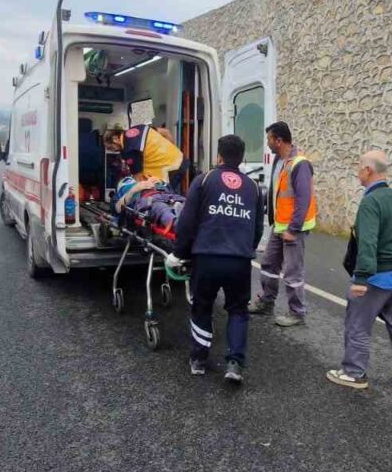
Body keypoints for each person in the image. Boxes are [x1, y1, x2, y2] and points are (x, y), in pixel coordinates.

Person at [325, 151, 392, 397]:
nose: (357, 171)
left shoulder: (371, 202)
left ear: (368, 170)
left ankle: (354, 373)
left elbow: (368, 243)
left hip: (377, 278)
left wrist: (361, 279)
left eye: (359, 166)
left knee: (358, 326)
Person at [171, 134, 265, 383]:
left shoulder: (204, 180)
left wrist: (179, 253)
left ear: (219, 156)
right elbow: (257, 228)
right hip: (239, 260)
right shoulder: (253, 187)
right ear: (242, 158)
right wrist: (246, 249)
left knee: (202, 305)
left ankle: (199, 360)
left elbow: (187, 222)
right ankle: (234, 364)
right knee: (238, 310)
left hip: (207, 257)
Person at [248, 121, 316, 327]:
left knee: (293, 272)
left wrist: (293, 229)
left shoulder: (300, 164)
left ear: (278, 140)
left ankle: (297, 313)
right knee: (269, 264)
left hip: (293, 228)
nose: (267, 142)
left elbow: (303, 199)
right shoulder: (279, 160)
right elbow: (277, 192)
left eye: (269, 139)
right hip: (279, 225)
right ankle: (267, 302)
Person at [115, 150, 182, 235]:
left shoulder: (150, 176)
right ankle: (177, 224)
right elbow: (118, 207)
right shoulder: (125, 182)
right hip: (147, 199)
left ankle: (182, 212)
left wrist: (161, 182)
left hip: (166, 195)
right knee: (160, 207)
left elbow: (170, 191)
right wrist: (134, 189)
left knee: (182, 201)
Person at [104, 124, 184, 182]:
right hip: (180, 158)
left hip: (169, 170)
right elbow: (166, 132)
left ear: (115, 139)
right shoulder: (139, 128)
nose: (113, 150)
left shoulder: (128, 149)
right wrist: (172, 153)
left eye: (110, 147)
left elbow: (139, 178)